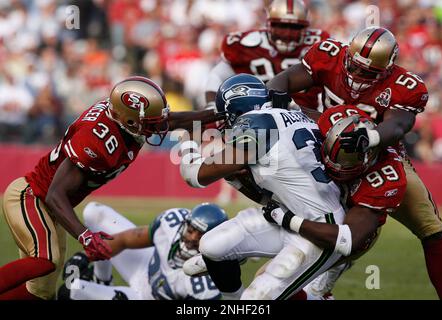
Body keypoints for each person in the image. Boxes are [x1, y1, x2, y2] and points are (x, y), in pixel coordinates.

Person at [0, 76, 225, 300]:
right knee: (45, 259)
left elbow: (172, 121)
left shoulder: (125, 120)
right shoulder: (97, 140)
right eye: (151, 123)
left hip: (50, 207)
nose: (158, 127)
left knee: (41, 293)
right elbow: (55, 194)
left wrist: (217, 113)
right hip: (32, 196)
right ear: (129, 121)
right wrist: (86, 236)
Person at [266, 26, 442, 300]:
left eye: (368, 72)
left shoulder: (405, 85)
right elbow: (282, 81)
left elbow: (398, 125)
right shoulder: (329, 54)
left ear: (387, 69)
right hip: (321, 147)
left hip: (378, 158)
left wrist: (370, 136)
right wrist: (277, 96)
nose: (357, 75)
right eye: (354, 65)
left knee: (431, 228)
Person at [179, 73, 346, 300]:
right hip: (286, 213)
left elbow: (195, 176)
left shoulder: (257, 123)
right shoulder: (296, 115)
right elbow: (273, 193)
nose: (226, 123)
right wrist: (236, 179)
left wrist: (187, 141)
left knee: (256, 300)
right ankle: (233, 299)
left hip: (318, 228)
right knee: (211, 246)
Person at [263, 105, 407, 299]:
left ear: (369, 156)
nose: (334, 166)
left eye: (345, 162)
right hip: (321, 209)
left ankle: (329, 274)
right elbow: (306, 117)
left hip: (348, 231)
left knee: (274, 285)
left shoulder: (386, 178)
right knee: (270, 281)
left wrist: (288, 219)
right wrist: (289, 106)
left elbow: (347, 239)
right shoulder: (332, 119)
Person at [57, 202, 227, 300]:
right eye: (191, 230)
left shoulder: (207, 287)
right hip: (146, 269)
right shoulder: (171, 224)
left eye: (200, 236)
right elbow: (125, 240)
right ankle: (102, 279)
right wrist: (86, 256)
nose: (191, 238)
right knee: (94, 212)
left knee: (71, 291)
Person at [205, 0, 329, 113]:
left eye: (295, 27)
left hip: (305, 114)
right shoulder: (243, 44)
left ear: (305, 28)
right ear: (269, 25)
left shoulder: (319, 44)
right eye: (281, 26)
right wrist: (212, 106)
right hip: (255, 115)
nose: (287, 33)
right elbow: (218, 75)